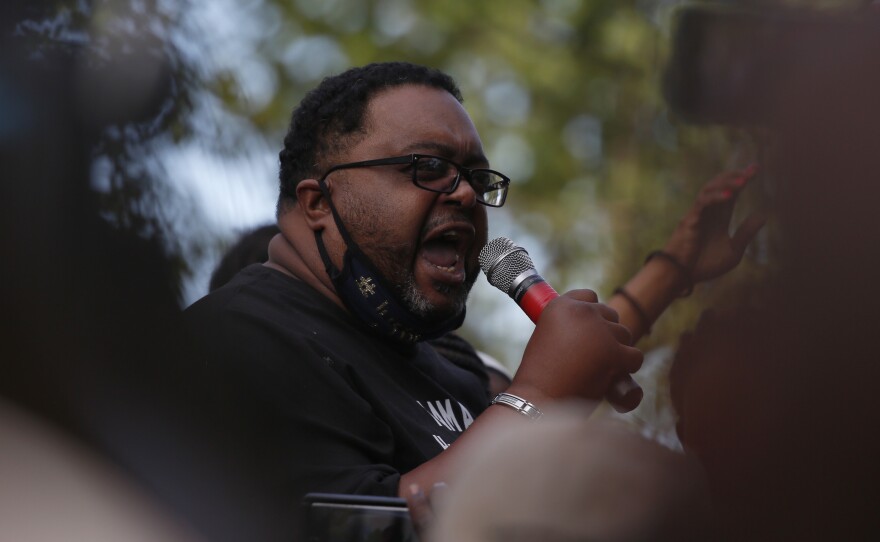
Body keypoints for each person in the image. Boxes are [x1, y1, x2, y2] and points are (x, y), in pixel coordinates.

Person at [183, 61, 759, 512]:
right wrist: (540, 395)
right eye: (427, 167)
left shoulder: (439, 357)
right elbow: (361, 525)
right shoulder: (236, 338)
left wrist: (675, 268)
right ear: (318, 203)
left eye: (476, 177)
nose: (463, 193)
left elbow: (575, 367)